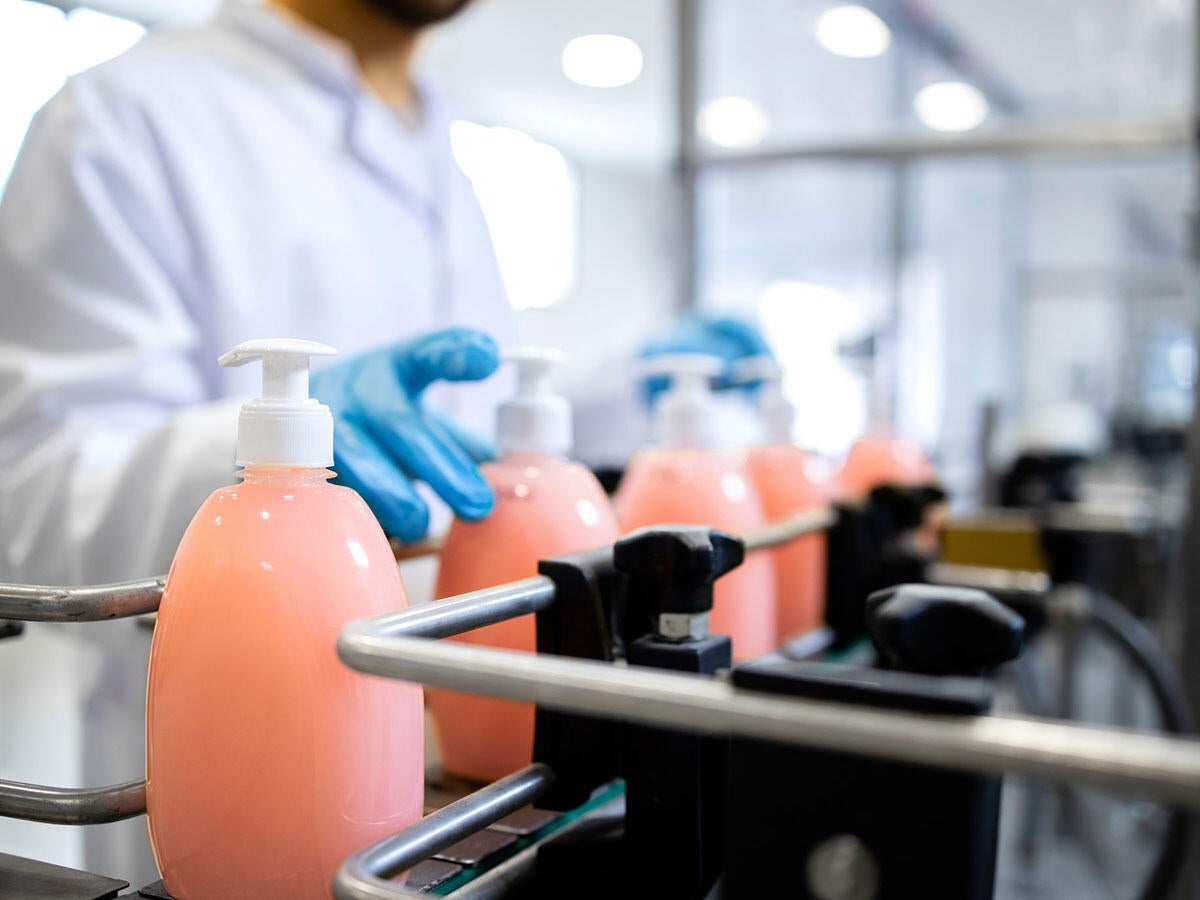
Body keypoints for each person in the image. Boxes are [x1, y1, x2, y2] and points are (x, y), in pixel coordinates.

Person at [0, 0, 513, 589]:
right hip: (207, 673)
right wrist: (269, 455)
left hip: (453, 663)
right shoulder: (120, 113)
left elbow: (481, 413)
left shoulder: (447, 146)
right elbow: (31, 503)